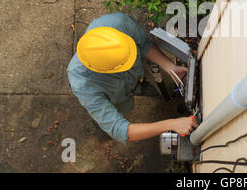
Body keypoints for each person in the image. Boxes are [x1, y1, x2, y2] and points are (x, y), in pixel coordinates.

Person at [67, 12, 197, 144]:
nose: (131, 60)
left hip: (139, 73)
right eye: (123, 64)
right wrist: (171, 124)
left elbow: (144, 44)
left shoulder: (118, 22)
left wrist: (170, 68)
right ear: (105, 70)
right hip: (120, 99)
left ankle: (150, 87)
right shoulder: (83, 84)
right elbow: (119, 129)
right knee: (117, 112)